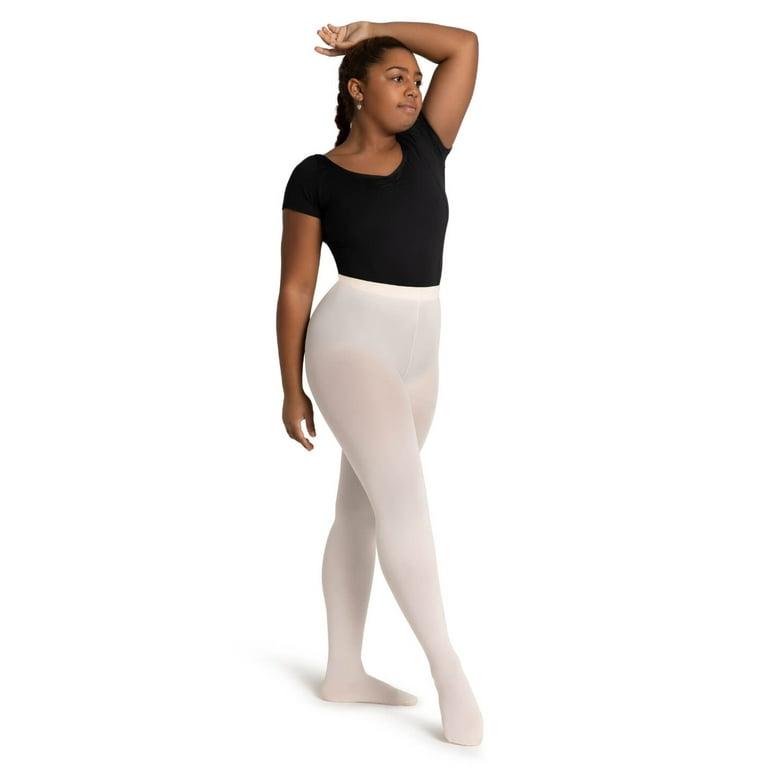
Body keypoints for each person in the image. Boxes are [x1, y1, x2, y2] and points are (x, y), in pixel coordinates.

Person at [275, 20, 482, 746]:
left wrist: (377, 29)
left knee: (362, 507)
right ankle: (451, 675)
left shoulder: (427, 146)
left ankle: (344, 671)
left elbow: (463, 45)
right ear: (356, 89)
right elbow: (296, 288)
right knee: (404, 500)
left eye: (416, 80)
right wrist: (291, 386)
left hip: (421, 349)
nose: (414, 88)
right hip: (350, 343)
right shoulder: (315, 175)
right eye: (397, 77)